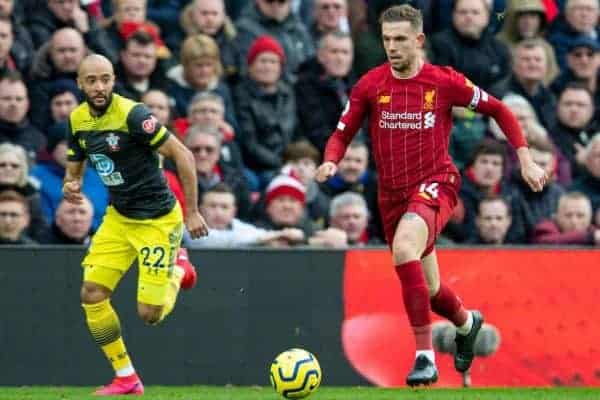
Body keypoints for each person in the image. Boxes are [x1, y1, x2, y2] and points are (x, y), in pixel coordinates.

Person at [314, 4, 547, 386]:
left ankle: (424, 357)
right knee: (432, 289)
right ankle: (466, 322)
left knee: (406, 247)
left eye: (401, 39)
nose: (392, 47)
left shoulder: (444, 82)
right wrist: (330, 161)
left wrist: (525, 159)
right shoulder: (370, 85)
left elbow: (500, 109)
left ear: (419, 40)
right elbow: (342, 133)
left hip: (436, 183)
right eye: (387, 39)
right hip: (392, 196)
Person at [63, 54, 208, 395]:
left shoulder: (133, 115)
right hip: (119, 218)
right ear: (80, 84)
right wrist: (72, 183)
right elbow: (76, 163)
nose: (99, 87)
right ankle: (126, 377)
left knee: (149, 314)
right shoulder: (77, 120)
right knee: (92, 293)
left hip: (157, 220)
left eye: (105, 79)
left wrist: (192, 212)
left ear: (113, 80)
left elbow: (183, 154)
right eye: (92, 81)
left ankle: (178, 269)